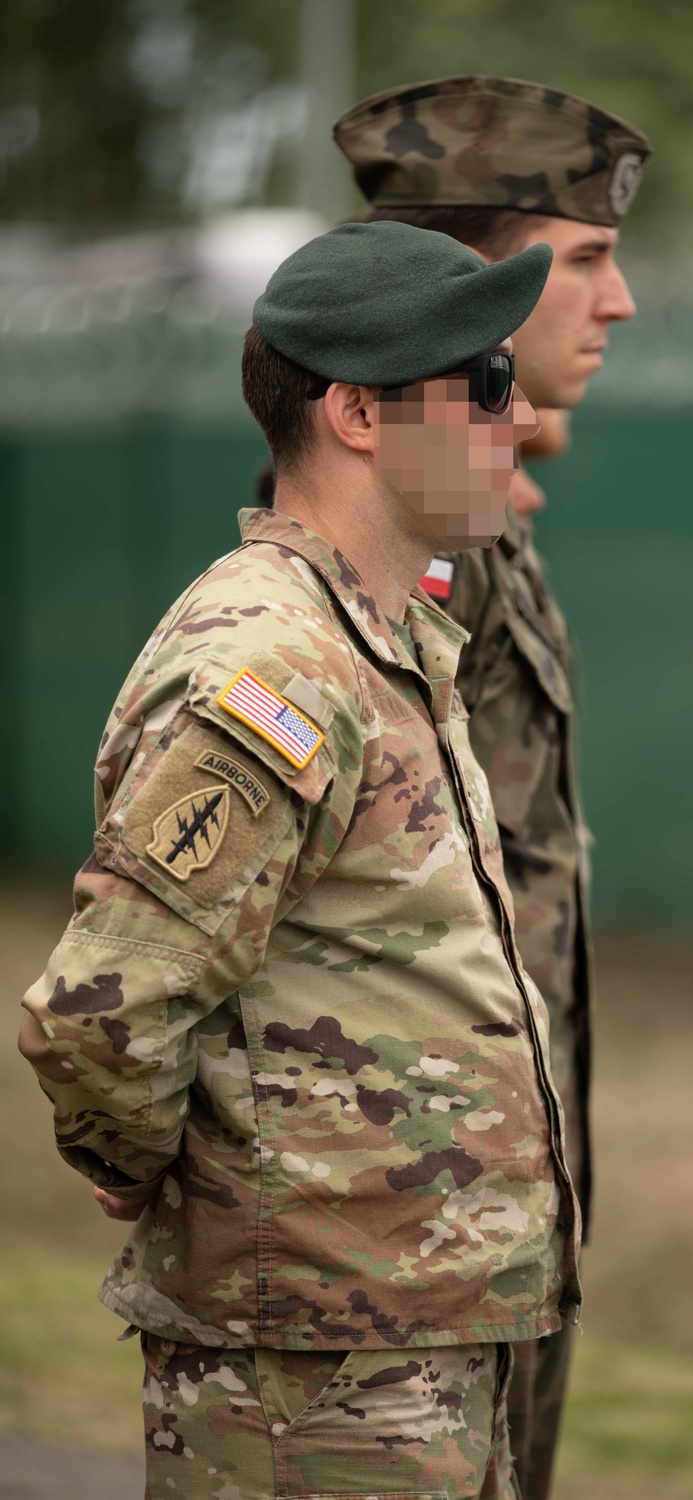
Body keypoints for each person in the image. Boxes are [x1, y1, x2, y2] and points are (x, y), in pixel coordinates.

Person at [19, 219, 582, 1500]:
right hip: (316, 1370)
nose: (524, 412)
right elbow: (104, 1016)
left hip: (407, 1340)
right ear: (356, 415)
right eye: (486, 382)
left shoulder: (377, 640)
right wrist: (160, 1175)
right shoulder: (271, 662)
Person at [335, 75, 649, 1499]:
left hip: (498, 1186)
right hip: (407, 1218)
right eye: (585, 260)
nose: (623, 301)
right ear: (468, 290)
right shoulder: (378, 551)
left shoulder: (470, 520)